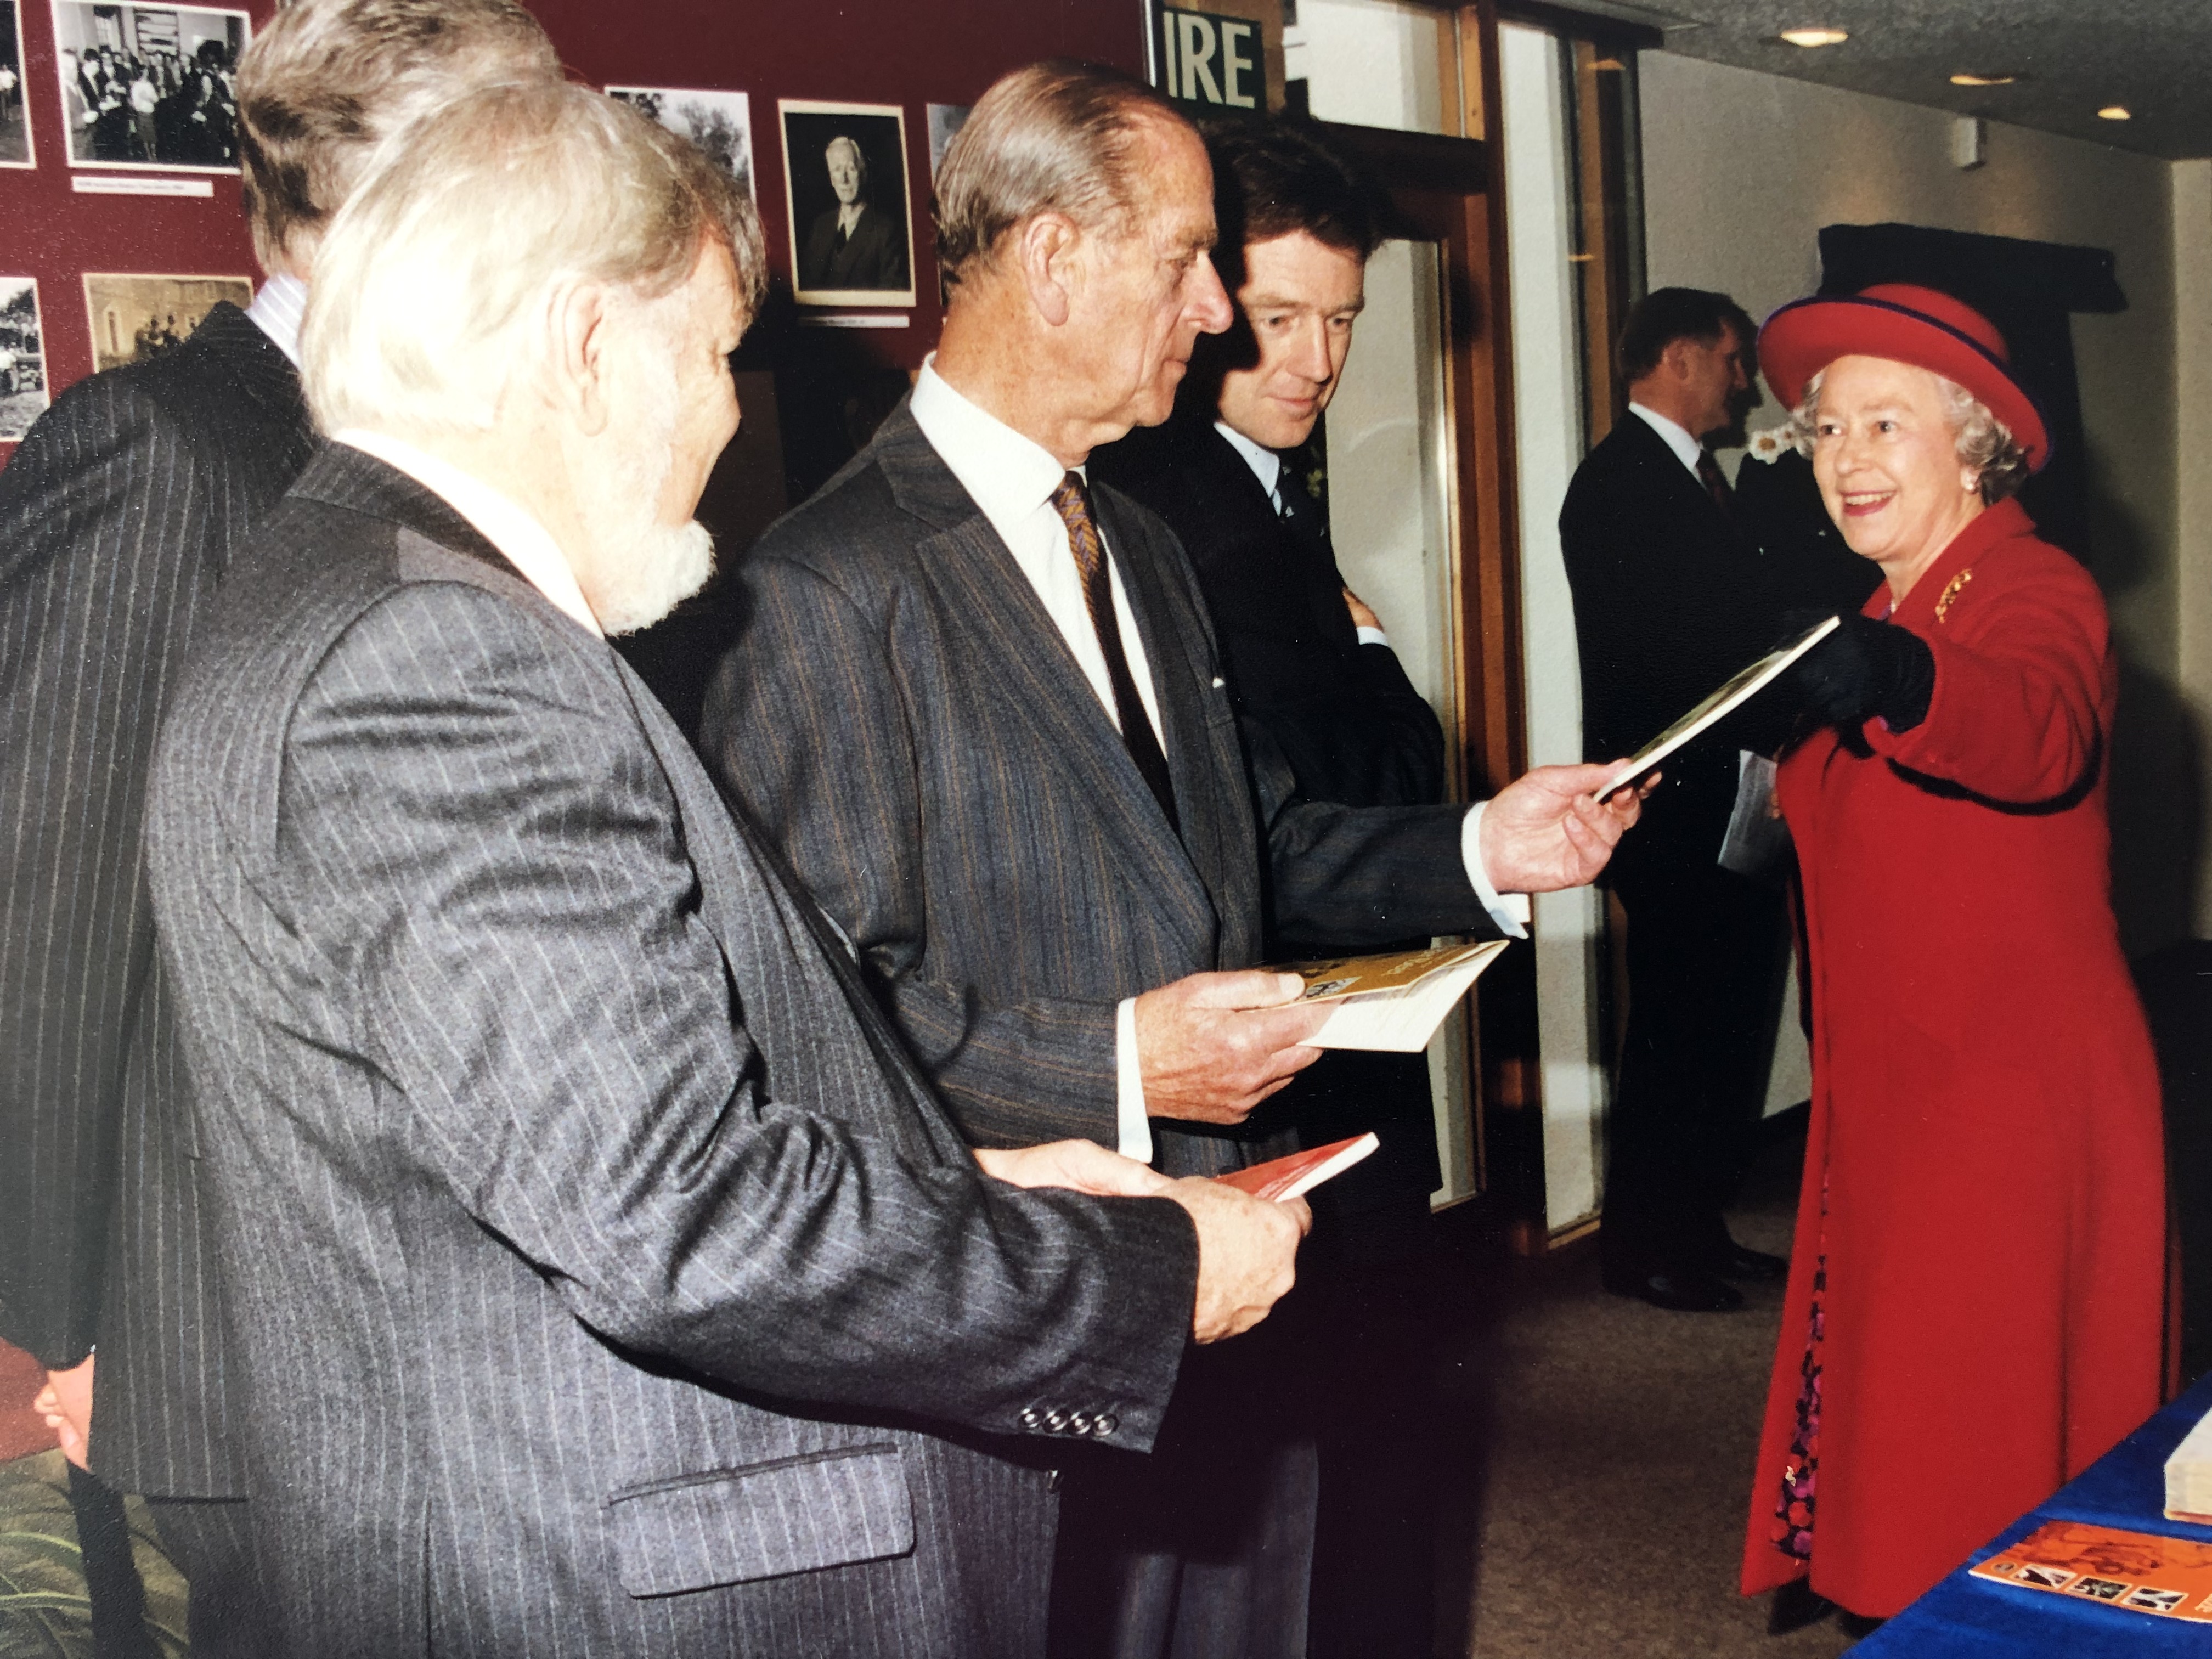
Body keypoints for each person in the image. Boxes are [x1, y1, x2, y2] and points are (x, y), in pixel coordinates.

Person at [143, 77, 1297, 1659]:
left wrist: (973, 1184)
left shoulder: (323, 586)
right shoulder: (446, 660)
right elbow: (675, 1218)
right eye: (711, 355)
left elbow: (553, 1154)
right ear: (585, 346)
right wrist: (1144, 1268)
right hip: (589, 1577)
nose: (728, 417)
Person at [699, 60, 1641, 1659]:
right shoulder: (825, 592)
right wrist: (1122, 1061)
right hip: (1036, 1338)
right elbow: (803, 1034)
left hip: (1236, 1302)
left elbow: (1246, 840)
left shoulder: (1138, 540)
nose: (1216, 311)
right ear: (1055, 261)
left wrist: (1488, 845)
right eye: (1189, 261)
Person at [0, 3, 564, 1650]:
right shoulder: (171, 450)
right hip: (215, 1362)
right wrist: (67, 1335)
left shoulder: (455, 446)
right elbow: (40, 923)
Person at [1740, 283, 2166, 1630]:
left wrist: (1907, 685)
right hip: (1900, 1098)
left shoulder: (2031, 586)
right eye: (1824, 430)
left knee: (1974, 1479)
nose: (1848, 458)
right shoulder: (1880, 605)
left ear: (1974, 443)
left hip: (2005, 1104)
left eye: (1886, 424)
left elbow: (2036, 728)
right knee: (1918, 1461)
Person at [1087, 116, 1446, 1656]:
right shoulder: (1185, 509)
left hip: (1336, 1015)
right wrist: (1382, 671)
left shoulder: (1262, 488)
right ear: (1209, 300)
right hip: (1274, 1045)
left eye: (1344, 321)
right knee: (1303, 1482)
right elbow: (1322, 798)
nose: (1314, 360)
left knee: (1348, 1466)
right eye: (1282, 317)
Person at [1560, 287, 1794, 1314]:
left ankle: (1694, 1224)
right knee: (1671, 1033)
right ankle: (1641, 1245)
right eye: (1732, 360)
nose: (1741, 381)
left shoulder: (1698, 480)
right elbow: (1674, 649)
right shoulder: (1618, 482)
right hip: (1667, 804)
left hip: (1724, 795)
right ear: (1678, 356)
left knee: (1724, 1023)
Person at [797, 132, 907, 290]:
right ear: (832, 179)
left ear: (863, 174)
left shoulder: (885, 231)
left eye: (851, 169)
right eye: (837, 170)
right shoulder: (820, 226)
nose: (844, 179)